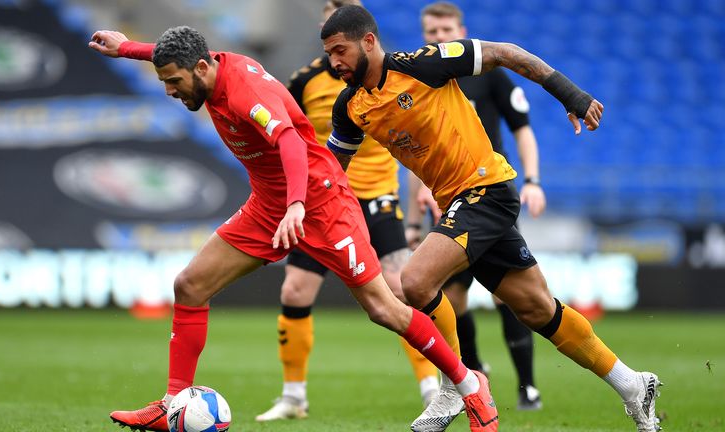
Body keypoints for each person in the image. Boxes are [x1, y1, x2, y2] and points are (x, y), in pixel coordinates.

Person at [89, 25, 495, 432]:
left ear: (200, 67)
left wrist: (297, 204)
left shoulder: (247, 91)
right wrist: (126, 48)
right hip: (268, 207)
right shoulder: (204, 67)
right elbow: (177, 56)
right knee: (190, 286)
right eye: (165, 82)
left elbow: (291, 144)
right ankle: (173, 401)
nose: (171, 91)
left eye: (174, 82)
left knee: (383, 308)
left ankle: (468, 384)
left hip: (320, 203)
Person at [321, 5, 661, 432]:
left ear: (368, 41)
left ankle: (453, 387)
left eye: (340, 50)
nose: (333, 62)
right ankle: (633, 385)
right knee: (538, 309)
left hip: (487, 190)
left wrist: (570, 94)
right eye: (329, 53)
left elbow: (505, 52)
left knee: (415, 280)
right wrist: (307, 207)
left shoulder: (423, 65)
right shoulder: (351, 106)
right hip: (458, 203)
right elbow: (333, 170)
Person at [256, 0, 439, 422]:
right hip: (325, 200)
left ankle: (432, 388)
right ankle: (293, 397)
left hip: (377, 198)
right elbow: (287, 137)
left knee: (402, 288)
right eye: (328, 27)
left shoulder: (391, 77)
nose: (335, 49)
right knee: (294, 292)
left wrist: (423, 188)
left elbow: (417, 135)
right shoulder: (303, 81)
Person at [405, 1, 547, 411]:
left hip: (488, 194)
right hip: (444, 199)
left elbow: (523, 129)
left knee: (509, 295)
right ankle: (472, 372)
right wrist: (413, 222)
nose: (438, 38)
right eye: (430, 32)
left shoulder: (488, 75)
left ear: (461, 29)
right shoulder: (419, 80)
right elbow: (415, 153)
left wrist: (534, 179)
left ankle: (527, 386)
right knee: (452, 296)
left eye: (445, 29)